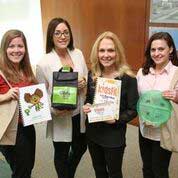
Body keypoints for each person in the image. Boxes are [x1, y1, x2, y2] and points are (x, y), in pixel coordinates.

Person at [36, 17, 88, 178]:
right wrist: (52, 110)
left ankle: (68, 174)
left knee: (81, 147)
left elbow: (86, 75)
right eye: (57, 33)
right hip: (60, 115)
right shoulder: (43, 63)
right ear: (51, 36)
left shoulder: (77, 53)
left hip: (79, 113)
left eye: (65, 32)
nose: (62, 36)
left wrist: (83, 82)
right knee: (61, 152)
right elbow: (40, 95)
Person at [83, 31, 139, 178]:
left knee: (114, 173)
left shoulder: (128, 78)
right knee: (99, 170)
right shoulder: (93, 74)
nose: (106, 55)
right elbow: (89, 98)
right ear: (97, 53)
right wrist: (87, 105)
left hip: (114, 135)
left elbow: (133, 110)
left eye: (110, 50)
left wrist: (116, 119)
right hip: (93, 132)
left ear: (117, 52)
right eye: (102, 50)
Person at [136, 32, 178, 178]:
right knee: (146, 169)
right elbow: (136, 97)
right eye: (153, 50)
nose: (156, 53)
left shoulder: (176, 73)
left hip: (163, 132)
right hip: (144, 129)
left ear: (170, 49)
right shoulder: (142, 72)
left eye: (161, 49)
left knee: (159, 170)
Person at [0, 30, 37, 178]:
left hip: (27, 126)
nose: (16, 50)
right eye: (11, 46)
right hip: (9, 127)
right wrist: (4, 96)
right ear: (4, 49)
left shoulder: (26, 71)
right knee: (21, 169)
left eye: (20, 46)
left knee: (27, 167)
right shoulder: (1, 71)